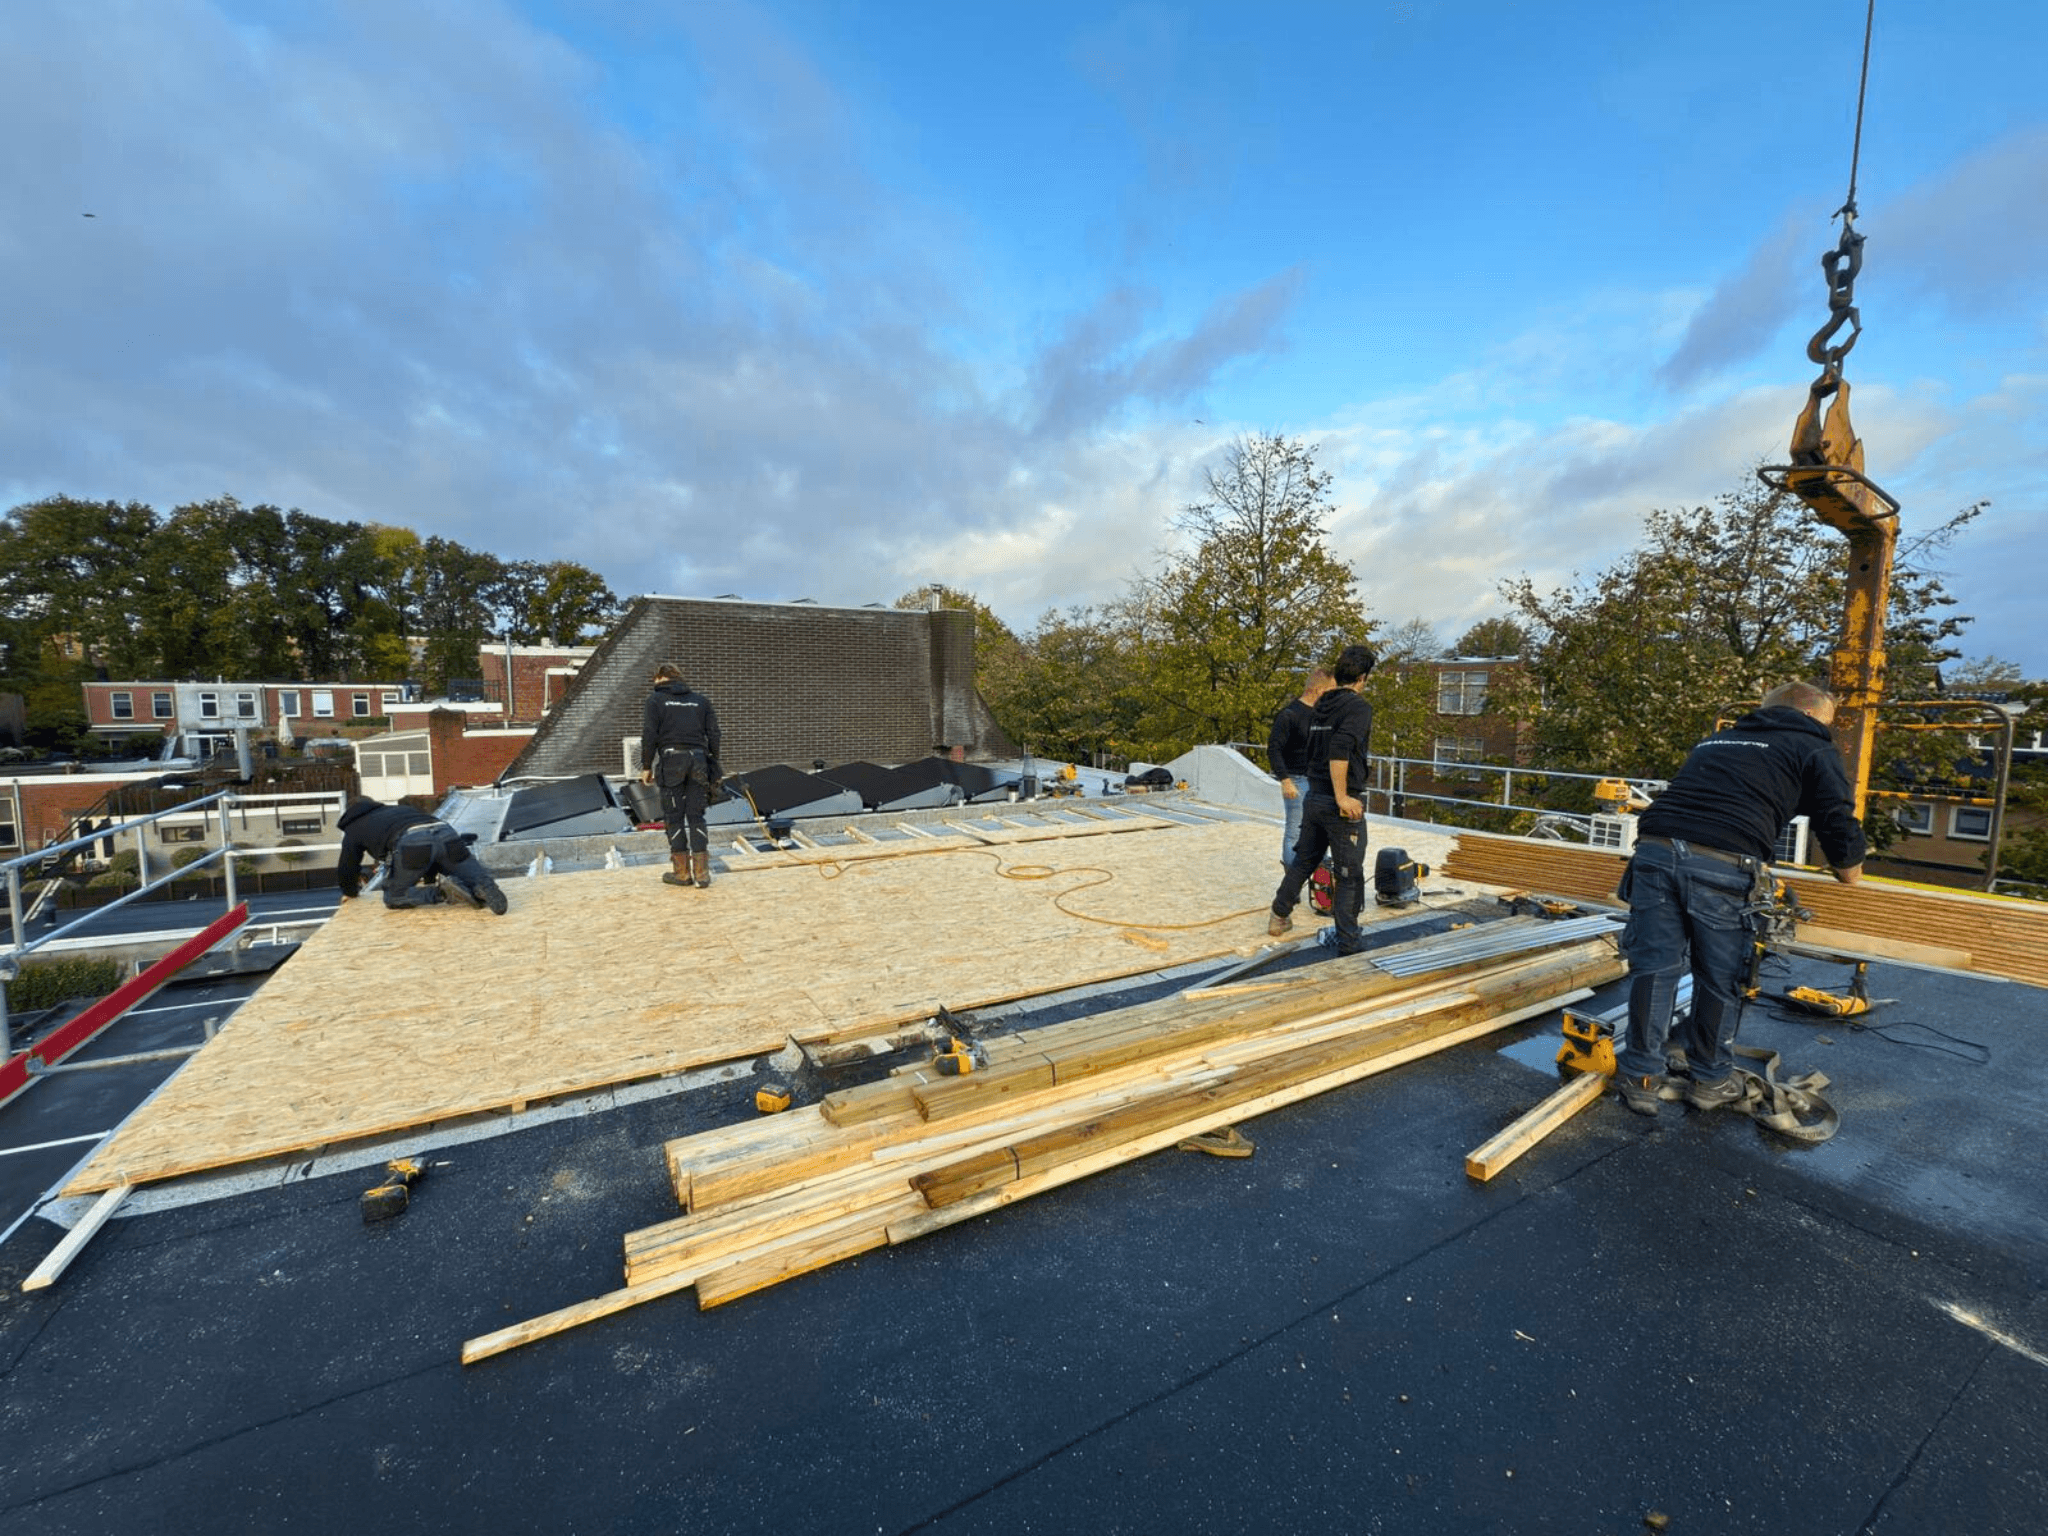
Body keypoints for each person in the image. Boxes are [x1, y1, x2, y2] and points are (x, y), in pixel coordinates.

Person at [1611, 679, 1866, 1117]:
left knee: (1655, 968)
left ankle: (1641, 1079)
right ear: (1811, 715)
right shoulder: (1812, 746)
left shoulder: (1716, 740)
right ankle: (1710, 1081)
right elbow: (1835, 816)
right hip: (1723, 863)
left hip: (1653, 851)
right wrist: (1850, 874)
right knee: (1720, 976)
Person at [1268, 643, 1377, 954]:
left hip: (1314, 798)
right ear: (1362, 678)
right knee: (1349, 874)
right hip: (1337, 803)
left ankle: (1279, 914)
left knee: (1305, 859)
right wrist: (1343, 797)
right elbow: (1340, 749)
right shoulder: (1358, 708)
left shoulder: (1321, 706)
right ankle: (1349, 946)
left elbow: (1318, 749)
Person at [335, 797, 508, 914]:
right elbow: (433, 851)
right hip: (446, 832)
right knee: (473, 875)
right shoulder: (400, 810)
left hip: (413, 842)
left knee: (394, 897)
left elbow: (348, 865)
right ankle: (483, 886)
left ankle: (443, 893)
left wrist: (350, 892)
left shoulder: (355, 826)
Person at [639, 662, 722, 888]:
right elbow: (714, 733)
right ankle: (702, 874)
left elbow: (649, 734)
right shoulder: (700, 700)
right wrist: (713, 761)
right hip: (698, 762)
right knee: (696, 816)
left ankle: (683, 874)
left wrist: (646, 765)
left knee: (674, 817)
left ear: (659, 678)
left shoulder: (655, 700)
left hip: (671, 762)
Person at [1267, 666, 1333, 869]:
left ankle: (1321, 868)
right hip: (1297, 780)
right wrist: (1285, 781)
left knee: (1322, 828)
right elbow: (1274, 749)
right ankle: (1291, 876)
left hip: (1320, 780)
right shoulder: (1289, 715)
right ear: (1318, 690)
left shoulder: (1322, 715)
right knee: (1296, 829)